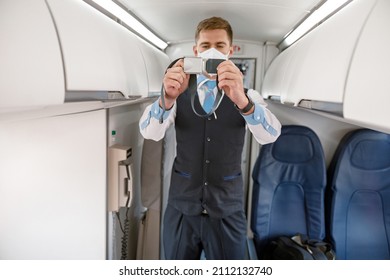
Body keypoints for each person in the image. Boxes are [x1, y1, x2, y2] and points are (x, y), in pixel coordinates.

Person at [139, 16, 281, 260]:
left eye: (220, 45)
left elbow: (271, 136)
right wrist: (167, 98)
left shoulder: (248, 95)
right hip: (182, 207)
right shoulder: (179, 90)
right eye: (205, 46)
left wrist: (242, 102)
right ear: (196, 50)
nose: (213, 51)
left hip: (227, 209)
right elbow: (149, 132)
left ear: (231, 51)